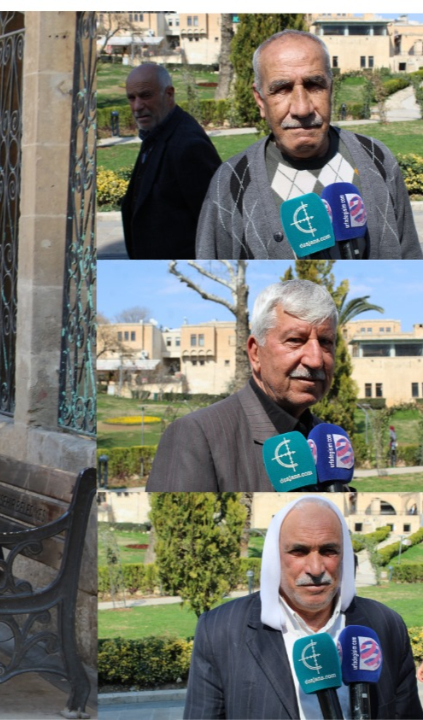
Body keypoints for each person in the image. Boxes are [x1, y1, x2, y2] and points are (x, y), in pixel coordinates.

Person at [183, 496, 422, 719]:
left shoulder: (386, 625)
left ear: (345, 555)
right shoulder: (219, 630)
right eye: (299, 551)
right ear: (275, 556)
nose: (316, 568)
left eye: (329, 551)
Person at [196, 30, 422, 259]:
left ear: (331, 89)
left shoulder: (376, 157)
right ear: (260, 100)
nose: (302, 109)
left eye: (314, 85)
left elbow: (410, 254)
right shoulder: (232, 181)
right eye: (282, 89)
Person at [148, 280, 336, 492]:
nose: (315, 359)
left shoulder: (328, 441)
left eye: (325, 342)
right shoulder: (196, 435)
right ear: (255, 353)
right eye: (295, 340)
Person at [120, 63, 221, 260]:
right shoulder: (157, 132)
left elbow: (215, 226)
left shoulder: (188, 145)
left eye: (145, 95)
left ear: (169, 94)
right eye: (131, 98)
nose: (137, 106)